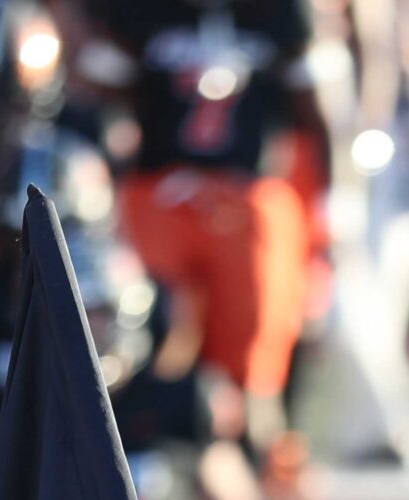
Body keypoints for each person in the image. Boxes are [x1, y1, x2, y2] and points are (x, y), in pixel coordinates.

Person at [77, 0, 329, 462]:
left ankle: (251, 446)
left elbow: (316, 109)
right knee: (147, 328)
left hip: (247, 193)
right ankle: (156, 439)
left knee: (252, 347)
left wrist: (336, 205)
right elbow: (95, 100)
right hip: (157, 190)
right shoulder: (140, 14)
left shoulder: (281, 14)